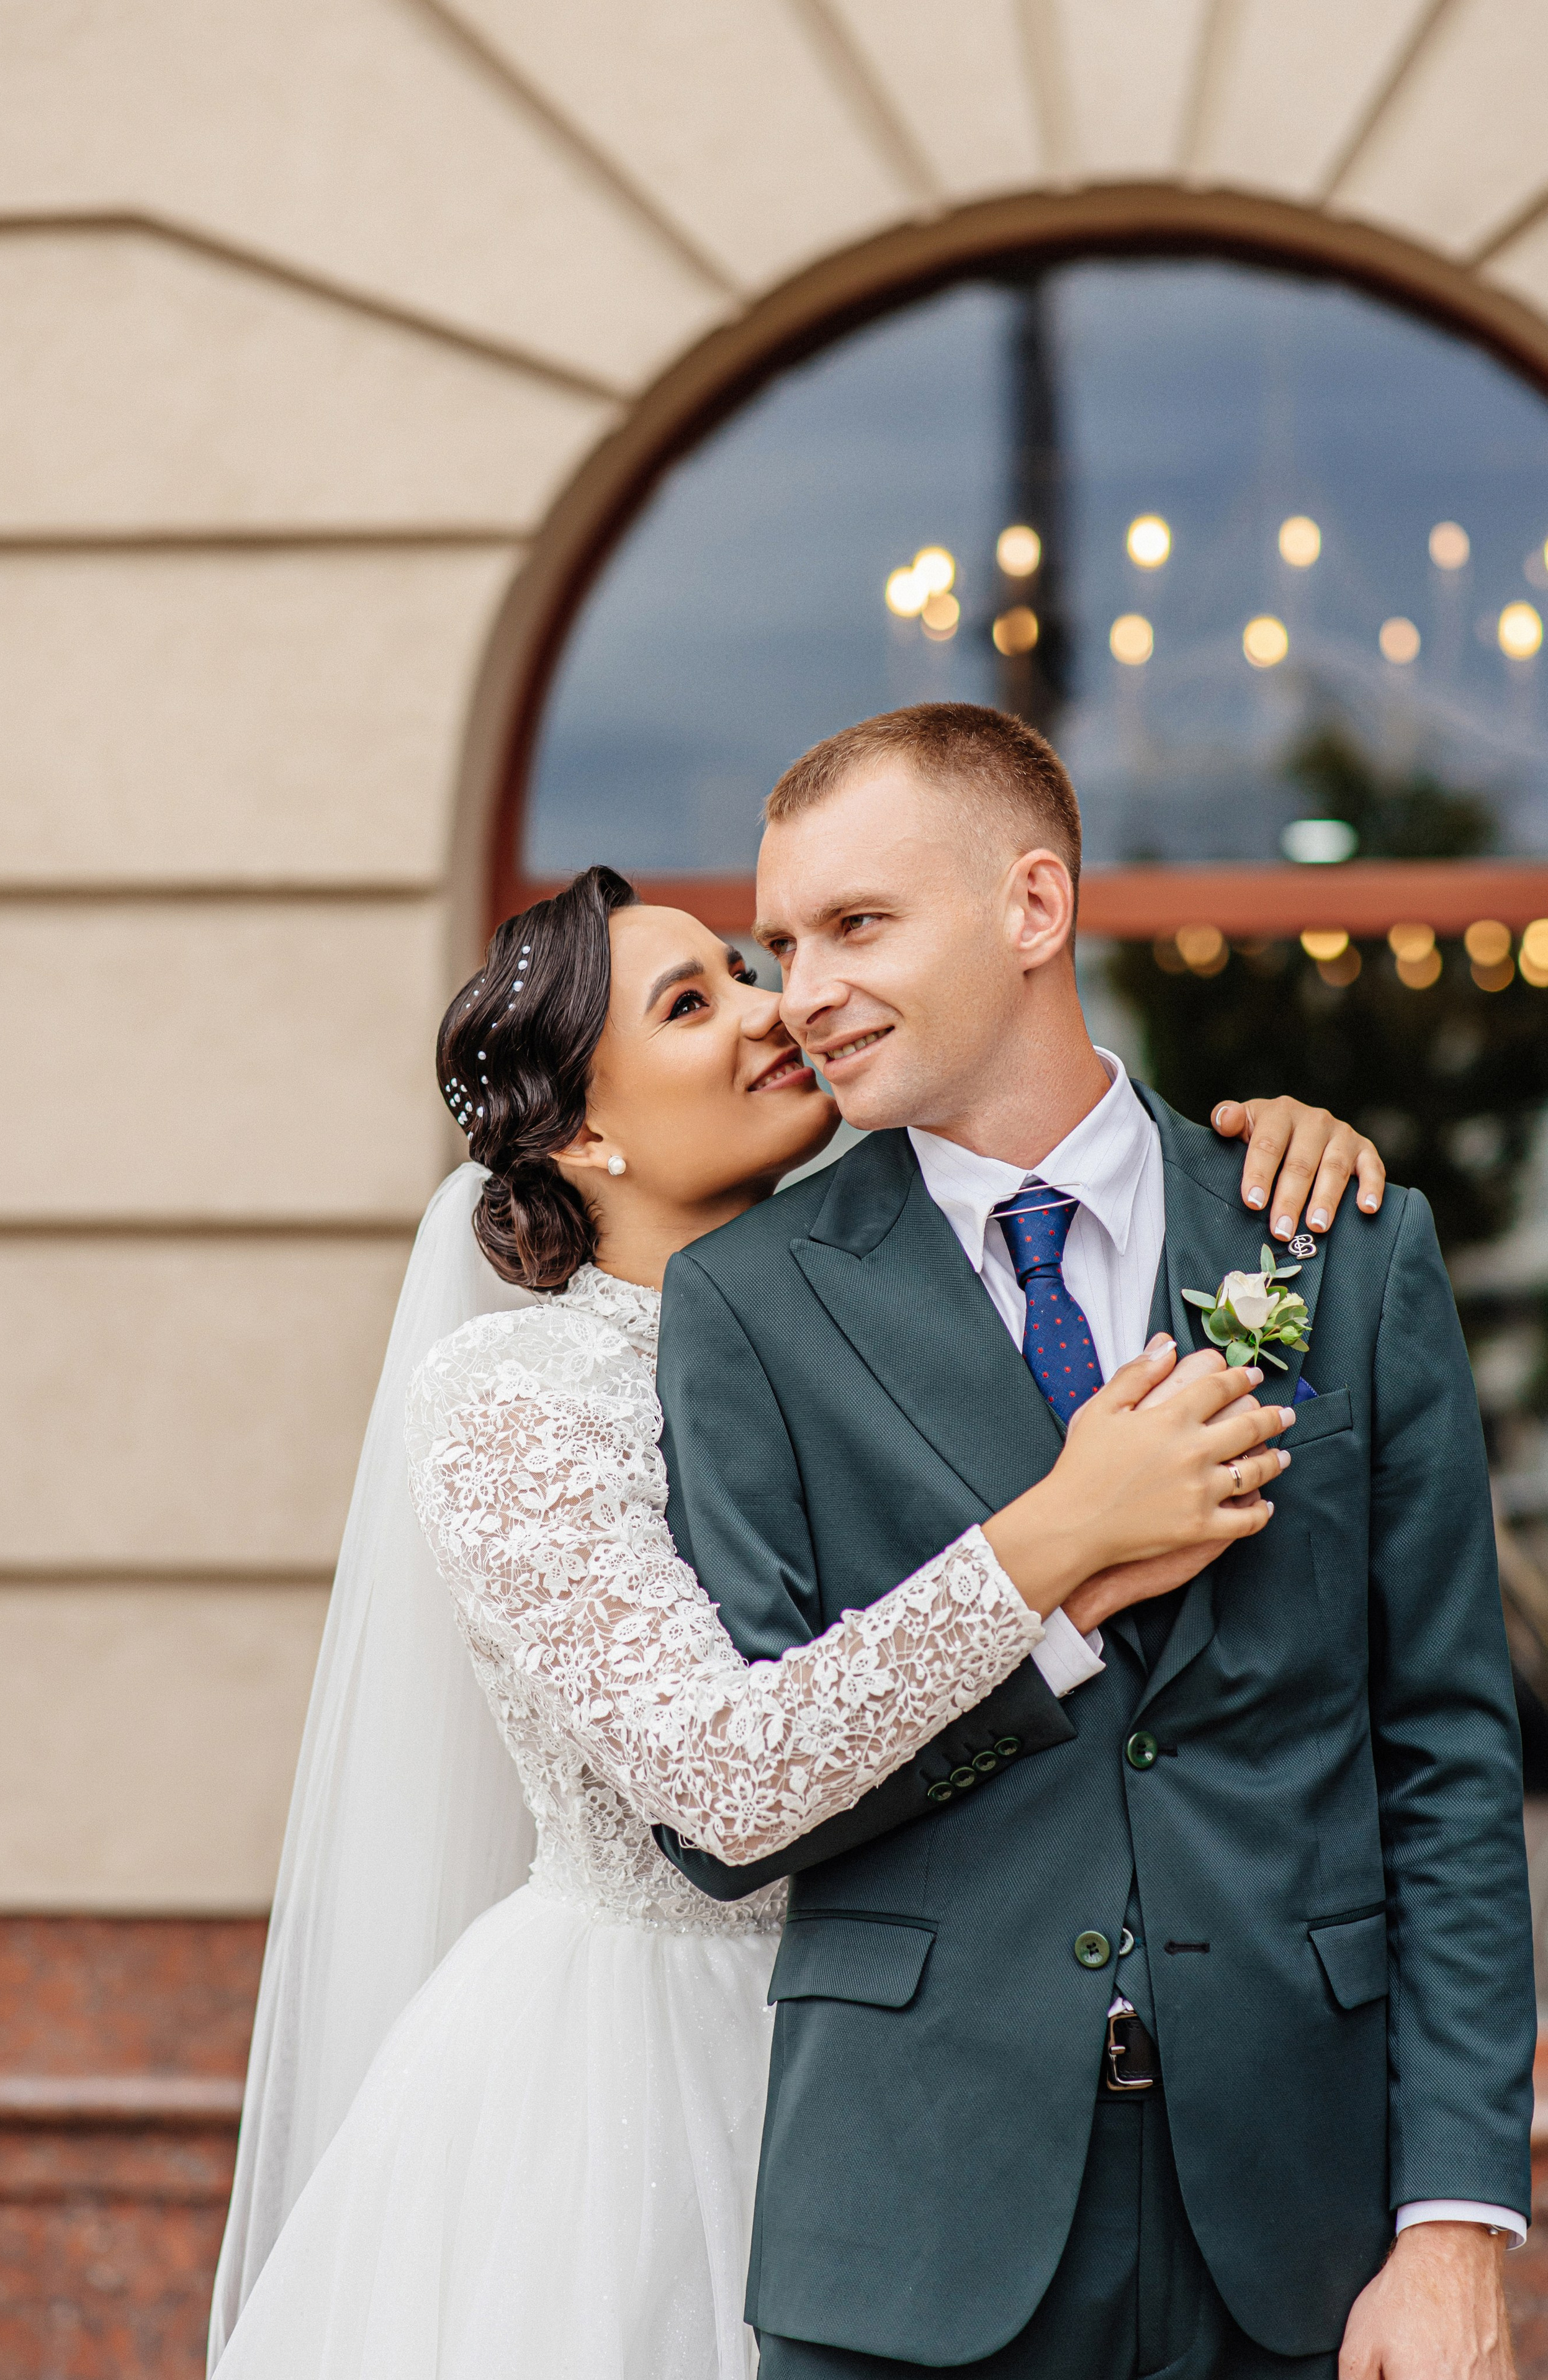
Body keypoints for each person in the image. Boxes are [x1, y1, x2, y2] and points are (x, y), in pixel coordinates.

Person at [209, 860, 1385, 2380]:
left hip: (952, 2065)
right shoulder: (511, 1403)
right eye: (693, 1002)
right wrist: (1051, 1545)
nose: (777, 1011)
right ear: (584, 1130)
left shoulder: (880, 1299)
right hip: (635, 2082)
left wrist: (1270, 1162)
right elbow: (717, 1769)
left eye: (747, 970)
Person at [654, 703, 1537, 2380]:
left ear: (1035, 907)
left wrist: (1456, 2224)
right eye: (780, 940)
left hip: (1307, 2238)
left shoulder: (1337, 1240)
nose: (802, 988)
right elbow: (734, 1813)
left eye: (857, 923)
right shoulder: (747, 1304)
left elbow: (1445, 1756)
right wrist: (1047, 1599)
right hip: (908, 2235)